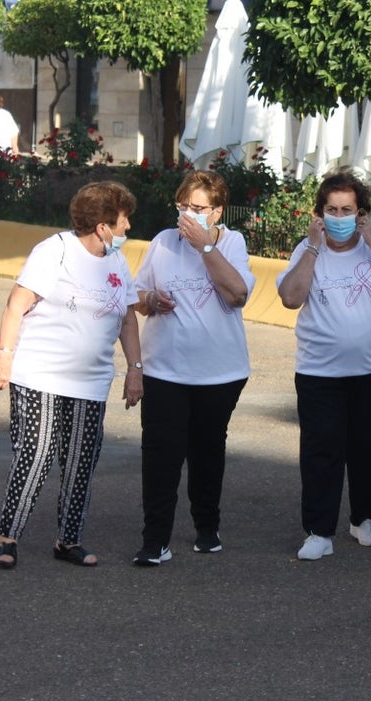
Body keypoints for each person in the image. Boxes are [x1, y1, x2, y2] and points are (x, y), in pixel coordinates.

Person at [0, 181, 144, 569]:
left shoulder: (116, 262)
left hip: (91, 381)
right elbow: (16, 305)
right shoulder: (54, 251)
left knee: (80, 461)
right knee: (35, 454)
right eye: (123, 220)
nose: (128, 228)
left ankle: (68, 541)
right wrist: (4, 357)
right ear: (103, 226)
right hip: (40, 375)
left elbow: (127, 319)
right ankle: (8, 538)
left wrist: (135, 370)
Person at [277, 167, 371, 561]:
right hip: (320, 372)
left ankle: (363, 518)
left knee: (367, 447)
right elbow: (291, 298)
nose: (339, 217)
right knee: (321, 449)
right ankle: (319, 531)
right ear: (320, 214)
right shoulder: (307, 249)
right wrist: (312, 248)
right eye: (332, 210)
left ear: (361, 213)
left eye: (347, 210)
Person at [130, 171, 255, 566]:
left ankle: (206, 527)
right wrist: (151, 298)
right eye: (183, 206)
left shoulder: (232, 243)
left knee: (206, 451)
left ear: (216, 212)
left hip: (219, 373)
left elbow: (237, 294)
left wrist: (205, 247)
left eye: (198, 207)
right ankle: (155, 541)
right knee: (160, 454)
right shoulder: (163, 242)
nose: (188, 214)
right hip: (164, 370)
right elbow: (137, 296)